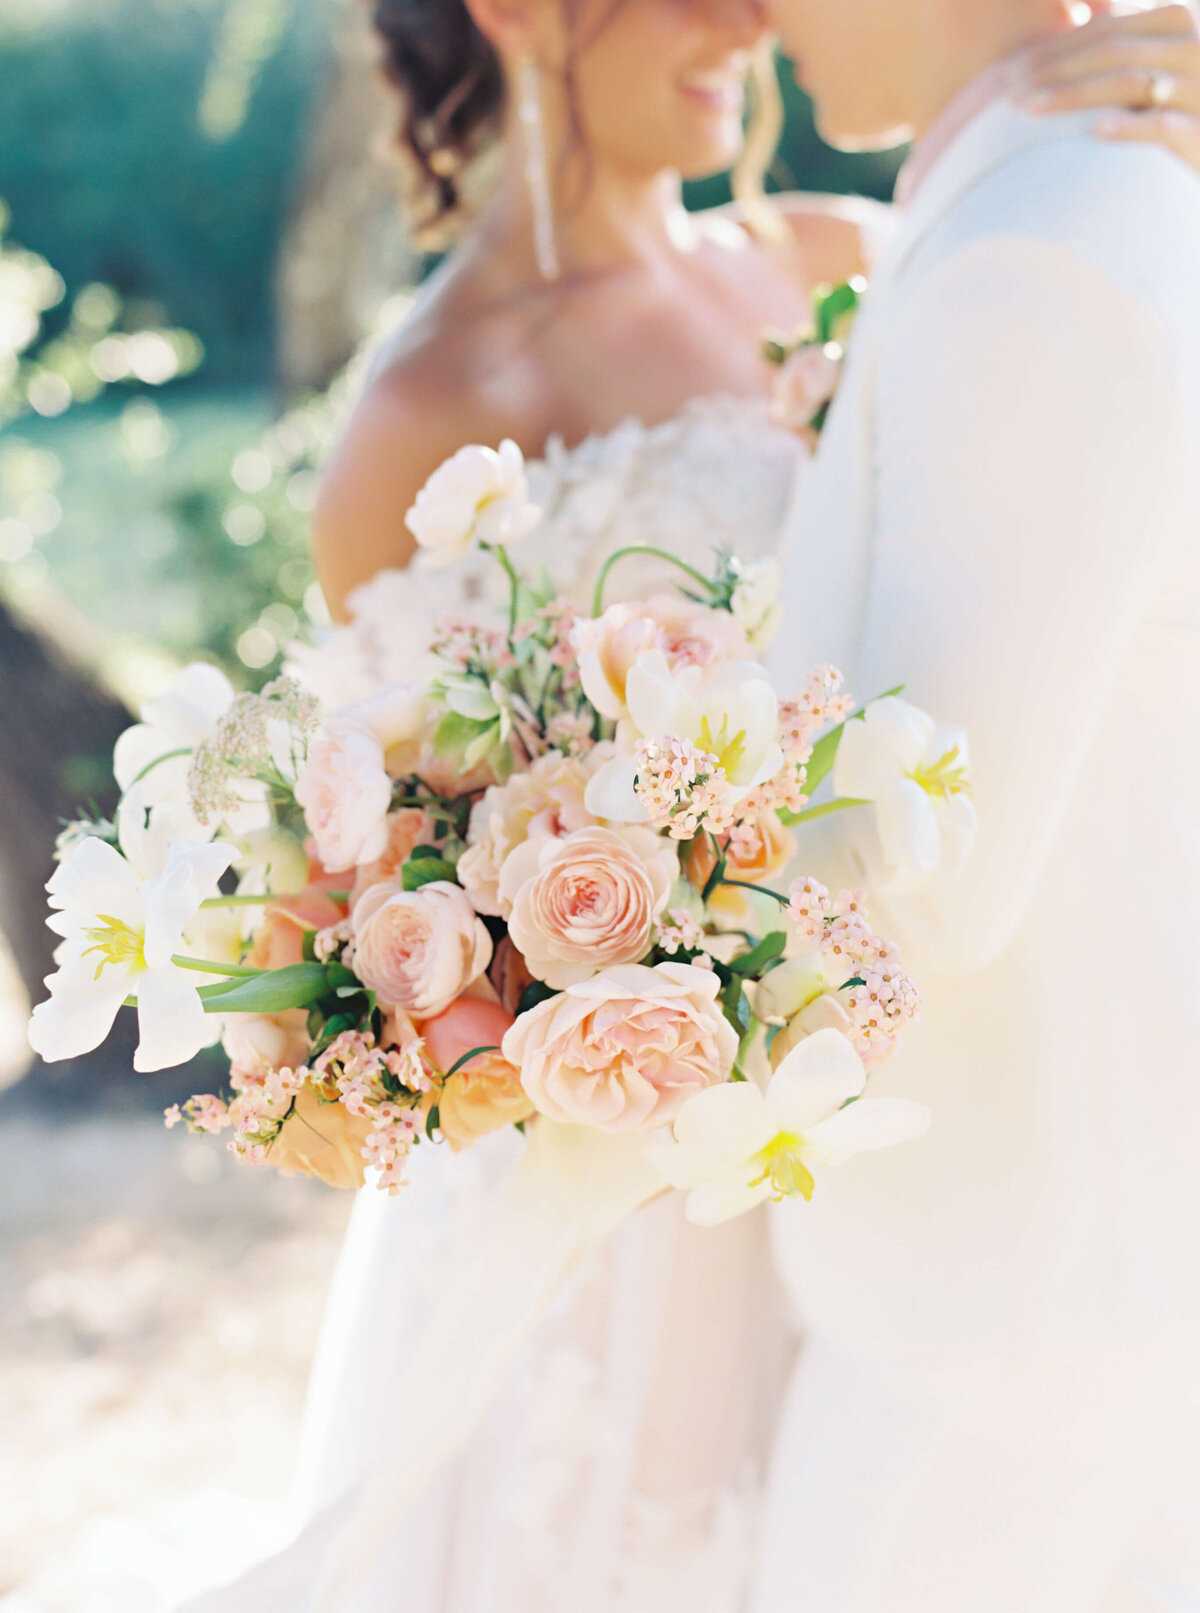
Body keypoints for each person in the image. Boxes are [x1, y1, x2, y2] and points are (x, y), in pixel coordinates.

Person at [178, 3, 1200, 1612]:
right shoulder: (423, 412)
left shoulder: (843, 252)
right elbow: (370, 826)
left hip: (862, 1129)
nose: (747, 13)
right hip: (615, 1179)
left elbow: (1087, 515)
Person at [759, 2, 1200, 1610]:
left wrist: (581, 904)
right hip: (1025, 1280)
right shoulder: (1044, 202)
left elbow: (929, 858)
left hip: (1010, 1331)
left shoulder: (1042, 252)